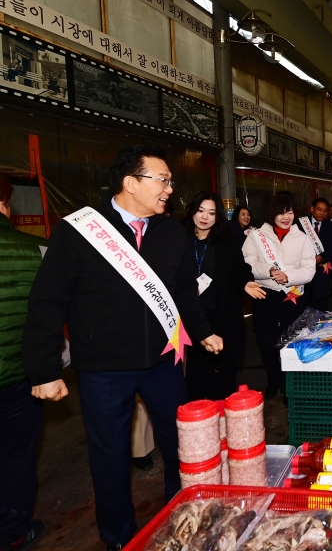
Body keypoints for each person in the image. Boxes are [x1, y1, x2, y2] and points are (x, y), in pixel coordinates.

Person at [22, 145, 223, 550]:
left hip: (163, 363)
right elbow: (48, 301)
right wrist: (43, 370)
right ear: (131, 182)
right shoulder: (79, 230)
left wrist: (201, 330)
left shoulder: (170, 232)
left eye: (170, 181)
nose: (170, 188)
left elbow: (183, 289)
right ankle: (119, 537)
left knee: (181, 446)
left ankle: (182, 519)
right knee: (109, 457)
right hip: (103, 369)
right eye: (162, 179)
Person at [0, 174, 46, 551]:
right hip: (17, 374)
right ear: (5, 206)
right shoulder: (32, 250)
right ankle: (12, 529)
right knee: (15, 456)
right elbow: (45, 317)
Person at [184, 193, 266, 401]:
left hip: (222, 316)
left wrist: (245, 282)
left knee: (223, 379)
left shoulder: (226, 239)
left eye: (211, 213)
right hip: (190, 318)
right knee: (195, 379)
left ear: (218, 216)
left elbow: (240, 268)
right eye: (200, 211)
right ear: (192, 211)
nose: (205, 217)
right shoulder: (180, 238)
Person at [242, 193, 316, 399]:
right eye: (281, 212)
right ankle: (272, 382)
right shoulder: (256, 237)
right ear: (272, 213)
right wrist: (268, 270)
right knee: (266, 343)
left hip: (292, 297)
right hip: (264, 296)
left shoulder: (302, 238)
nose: (286, 217)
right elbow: (247, 265)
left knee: (289, 342)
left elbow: (309, 270)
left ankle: (288, 386)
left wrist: (289, 276)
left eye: (290, 212)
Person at [305, 197, 332, 312]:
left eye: (325, 210)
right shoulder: (301, 224)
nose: (322, 213)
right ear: (312, 209)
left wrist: (323, 257)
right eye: (319, 209)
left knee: (320, 304)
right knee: (303, 304)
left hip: (321, 270)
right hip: (303, 270)